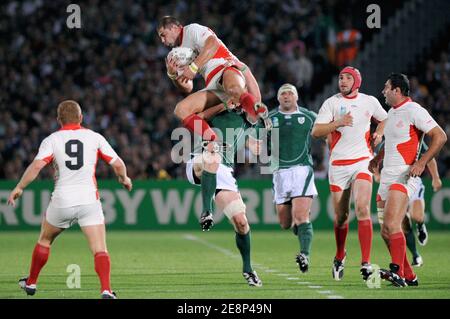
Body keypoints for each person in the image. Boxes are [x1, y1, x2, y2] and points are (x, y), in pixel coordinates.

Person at [7, 100, 132, 299]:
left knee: (45, 240)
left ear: (59, 120)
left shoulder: (52, 139)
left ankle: (31, 283)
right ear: (81, 117)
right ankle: (106, 290)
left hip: (62, 200)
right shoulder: (94, 137)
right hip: (88, 200)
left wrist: (19, 187)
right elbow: (118, 164)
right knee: (100, 248)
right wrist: (123, 179)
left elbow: (37, 166)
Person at [369, 73, 446, 287]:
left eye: (386, 87)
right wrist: (377, 159)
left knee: (393, 224)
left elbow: (440, 136)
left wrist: (421, 163)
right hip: (387, 176)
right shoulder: (391, 114)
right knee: (386, 232)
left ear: (397, 90)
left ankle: (397, 272)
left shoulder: (414, 110)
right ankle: (410, 276)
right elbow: (393, 143)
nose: (383, 91)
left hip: (404, 175)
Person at [311, 66, 388, 281]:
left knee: (363, 208)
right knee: (341, 216)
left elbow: (385, 118)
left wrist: (380, 132)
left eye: (347, 78)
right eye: (340, 78)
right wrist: (338, 123)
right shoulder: (331, 103)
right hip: (338, 165)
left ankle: (365, 262)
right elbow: (316, 132)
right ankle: (339, 255)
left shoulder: (369, 101)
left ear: (356, 81)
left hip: (363, 161)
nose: (342, 81)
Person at [157, 16, 272, 144]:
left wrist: (194, 67)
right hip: (212, 84)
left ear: (174, 28)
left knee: (233, 89)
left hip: (226, 67)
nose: (162, 40)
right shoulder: (176, 55)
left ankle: (258, 114)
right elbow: (187, 87)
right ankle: (214, 142)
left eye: (163, 35)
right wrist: (173, 75)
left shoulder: (191, 30)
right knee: (181, 109)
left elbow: (213, 44)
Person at [185, 103, 263, 287]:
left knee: (241, 223)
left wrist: (253, 145)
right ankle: (207, 211)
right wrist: (222, 105)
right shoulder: (218, 107)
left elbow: (254, 136)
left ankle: (248, 268)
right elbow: (196, 117)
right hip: (199, 161)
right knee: (212, 157)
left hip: (224, 172)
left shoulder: (248, 122)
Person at [263, 84, 317, 273]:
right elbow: (255, 136)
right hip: (279, 173)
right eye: (283, 93)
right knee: (285, 223)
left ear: (297, 97)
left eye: (290, 93)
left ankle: (304, 254)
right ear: (278, 98)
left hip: (302, 170)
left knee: (301, 216)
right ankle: (299, 227)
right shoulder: (269, 118)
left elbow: (325, 133)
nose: (286, 96)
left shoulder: (309, 116)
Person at [403, 142, 442, 267]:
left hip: (413, 182)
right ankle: (416, 255)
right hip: (396, 183)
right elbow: (377, 155)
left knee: (417, 216)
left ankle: (420, 225)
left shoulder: (416, 139)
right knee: (403, 223)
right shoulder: (389, 137)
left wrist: (435, 177)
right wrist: (376, 173)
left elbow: (429, 157)